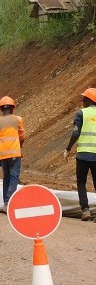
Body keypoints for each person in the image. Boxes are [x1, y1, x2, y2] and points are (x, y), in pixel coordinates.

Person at [63, 88, 96, 221]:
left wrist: (67, 148)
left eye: (83, 99)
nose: (82, 101)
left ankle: (86, 210)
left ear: (89, 100)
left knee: (81, 182)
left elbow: (76, 133)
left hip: (83, 155)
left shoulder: (81, 113)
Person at [0, 96, 25, 211]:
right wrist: (20, 146)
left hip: (3, 155)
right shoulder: (18, 120)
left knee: (6, 178)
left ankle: (6, 202)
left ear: (1, 109)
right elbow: (22, 136)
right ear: (12, 109)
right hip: (15, 154)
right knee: (14, 177)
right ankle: (10, 201)